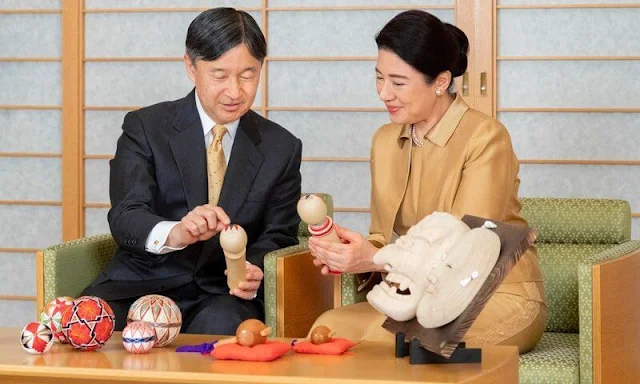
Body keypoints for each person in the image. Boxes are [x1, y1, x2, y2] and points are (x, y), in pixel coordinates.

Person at [308, 10, 547, 353]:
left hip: (494, 292)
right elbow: (381, 236)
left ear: (439, 81)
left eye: (398, 82)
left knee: (384, 343)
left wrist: (374, 259)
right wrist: (348, 253)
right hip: (416, 295)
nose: (383, 93)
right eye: (379, 78)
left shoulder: (486, 137)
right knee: (329, 328)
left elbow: (467, 250)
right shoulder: (384, 140)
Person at [82, 8, 302, 335]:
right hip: (139, 283)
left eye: (248, 74)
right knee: (83, 326)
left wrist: (250, 267)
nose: (234, 91)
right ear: (190, 67)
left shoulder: (281, 146)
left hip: (222, 295)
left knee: (223, 327)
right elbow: (127, 214)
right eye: (219, 74)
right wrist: (177, 232)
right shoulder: (146, 128)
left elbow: (279, 234)